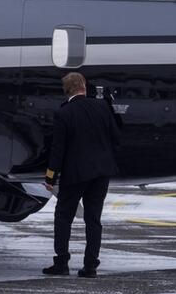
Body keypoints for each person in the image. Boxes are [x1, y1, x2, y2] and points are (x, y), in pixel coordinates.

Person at [43, 72, 121, 278]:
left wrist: (50, 177)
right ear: (83, 87)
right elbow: (116, 136)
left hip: (76, 174)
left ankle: (61, 262)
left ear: (66, 90)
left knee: (63, 216)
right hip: (101, 173)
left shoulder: (64, 113)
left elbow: (57, 149)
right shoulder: (103, 107)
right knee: (93, 218)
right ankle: (91, 265)